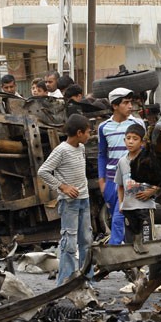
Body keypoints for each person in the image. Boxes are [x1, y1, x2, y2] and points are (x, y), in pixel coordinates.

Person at [38, 114, 93, 286]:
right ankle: (65, 283)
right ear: (79, 133)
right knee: (69, 243)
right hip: (69, 203)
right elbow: (43, 171)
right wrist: (63, 187)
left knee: (86, 241)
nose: (89, 136)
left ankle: (86, 279)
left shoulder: (81, 148)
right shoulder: (61, 150)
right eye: (88, 132)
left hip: (84, 200)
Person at [98, 87, 146, 245]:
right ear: (115, 106)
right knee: (118, 218)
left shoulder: (137, 124)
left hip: (131, 180)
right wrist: (102, 181)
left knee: (120, 217)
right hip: (111, 181)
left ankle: (114, 250)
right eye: (125, 103)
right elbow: (102, 154)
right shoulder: (104, 127)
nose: (130, 106)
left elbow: (144, 153)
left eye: (130, 102)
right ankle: (131, 259)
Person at [114, 123, 159, 247]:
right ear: (124, 140)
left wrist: (152, 191)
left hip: (145, 207)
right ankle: (134, 267)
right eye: (128, 138)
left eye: (135, 138)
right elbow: (120, 185)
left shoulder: (149, 160)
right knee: (131, 242)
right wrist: (121, 203)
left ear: (142, 142)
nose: (131, 142)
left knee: (147, 241)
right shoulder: (122, 162)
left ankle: (147, 266)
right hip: (128, 208)